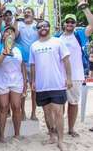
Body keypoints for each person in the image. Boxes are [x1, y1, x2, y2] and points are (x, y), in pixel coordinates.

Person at [29, 20, 72, 151]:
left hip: (57, 84)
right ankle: (52, 136)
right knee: (47, 113)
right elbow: (32, 65)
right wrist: (33, 81)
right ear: (37, 30)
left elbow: (66, 61)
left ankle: (60, 140)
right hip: (41, 86)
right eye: (39, 26)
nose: (42, 28)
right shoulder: (34, 46)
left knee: (58, 113)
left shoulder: (58, 42)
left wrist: (69, 78)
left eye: (45, 26)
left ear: (49, 27)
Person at [57, 11, 93, 137]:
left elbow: (92, 24)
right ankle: (58, 128)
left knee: (73, 103)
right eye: (68, 21)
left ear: (75, 24)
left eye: (72, 22)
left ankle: (71, 129)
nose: (70, 24)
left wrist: (85, 8)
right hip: (59, 76)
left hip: (76, 76)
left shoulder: (80, 35)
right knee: (59, 105)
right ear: (64, 23)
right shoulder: (57, 37)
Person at [0, 26, 27, 142]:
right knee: (3, 107)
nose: (9, 33)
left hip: (17, 80)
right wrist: (5, 51)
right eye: (6, 31)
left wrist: (25, 82)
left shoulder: (20, 48)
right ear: (3, 36)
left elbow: (23, 66)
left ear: (14, 35)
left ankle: (17, 134)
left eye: (11, 32)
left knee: (17, 107)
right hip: (1, 80)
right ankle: (1, 135)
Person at [16, 7, 39, 120]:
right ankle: (23, 112)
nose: (26, 14)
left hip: (35, 62)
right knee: (23, 89)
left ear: (33, 14)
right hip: (23, 62)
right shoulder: (19, 24)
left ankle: (34, 113)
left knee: (34, 88)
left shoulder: (37, 24)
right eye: (25, 13)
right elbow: (14, 36)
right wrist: (16, 19)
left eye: (28, 12)